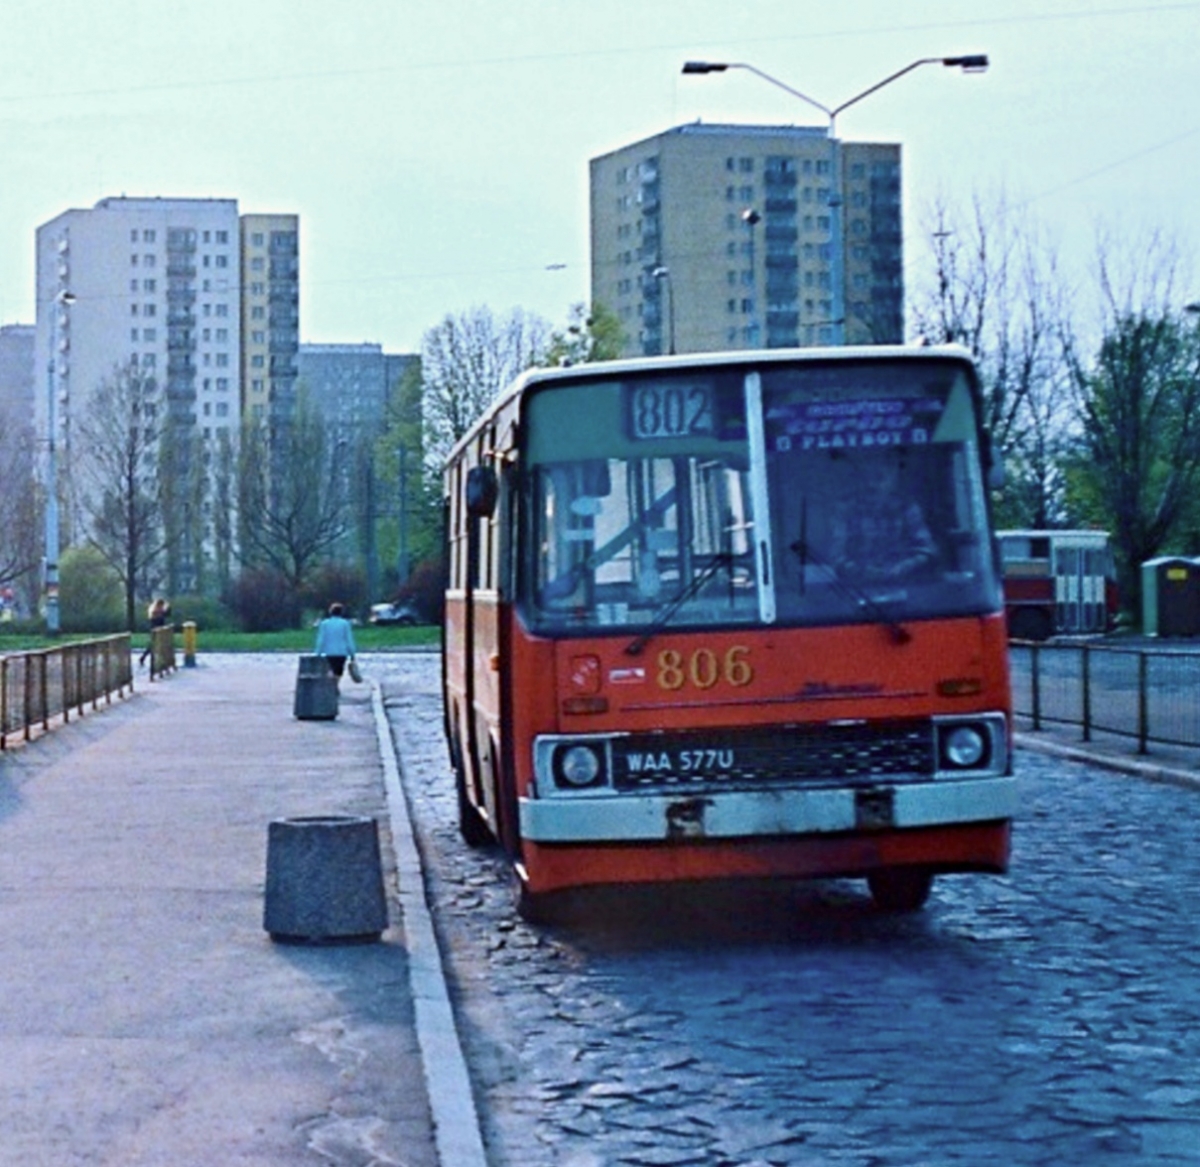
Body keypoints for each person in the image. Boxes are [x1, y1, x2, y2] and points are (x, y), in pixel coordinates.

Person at [829, 458, 937, 583]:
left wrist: (905, 567)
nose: (871, 485)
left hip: (904, 583)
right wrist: (859, 571)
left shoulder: (907, 508)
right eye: (866, 479)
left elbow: (927, 550)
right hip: (854, 589)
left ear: (892, 482)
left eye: (879, 478)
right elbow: (836, 555)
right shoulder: (846, 509)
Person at [314, 602, 357, 682]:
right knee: (338, 672)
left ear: (330, 612)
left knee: (330, 670)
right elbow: (348, 639)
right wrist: (352, 653)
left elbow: (321, 639)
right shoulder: (345, 624)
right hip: (341, 652)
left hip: (328, 652)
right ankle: (335, 685)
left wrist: (318, 652)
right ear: (341, 612)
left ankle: (332, 685)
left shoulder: (324, 624)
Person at [139, 597, 171, 668]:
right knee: (153, 646)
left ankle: (161, 661)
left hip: (159, 631)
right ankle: (145, 658)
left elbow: (167, 614)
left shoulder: (158, 611)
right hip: (156, 631)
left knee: (156, 646)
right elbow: (160, 618)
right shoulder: (155, 611)